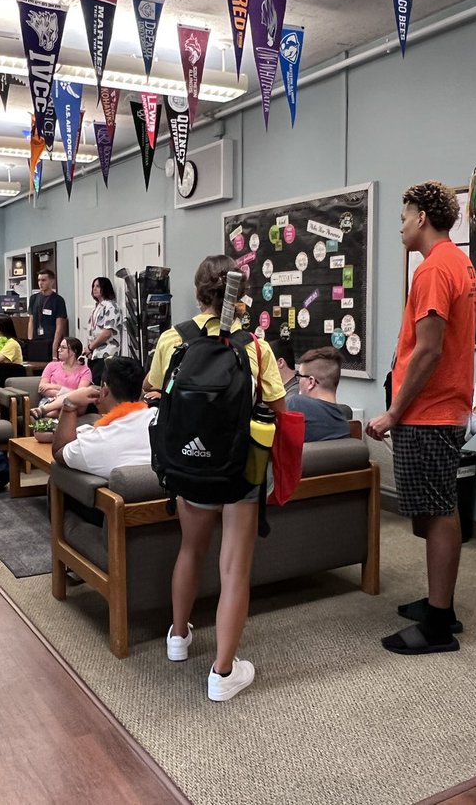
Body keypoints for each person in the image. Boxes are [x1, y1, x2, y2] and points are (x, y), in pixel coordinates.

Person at [144, 254, 286, 702]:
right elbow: (280, 410)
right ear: (240, 297)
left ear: (197, 291)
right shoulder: (255, 348)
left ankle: (178, 637)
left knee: (191, 549)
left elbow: (152, 389)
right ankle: (223, 673)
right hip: (240, 471)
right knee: (233, 569)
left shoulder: (172, 339)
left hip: (189, 467)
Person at [366, 181, 476, 657]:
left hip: (429, 412)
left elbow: (429, 351)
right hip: (442, 408)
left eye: (403, 217)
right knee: (437, 508)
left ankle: (438, 622)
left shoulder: (433, 269)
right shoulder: (458, 261)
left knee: (437, 512)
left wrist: (394, 412)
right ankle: (440, 605)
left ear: (422, 218)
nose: (400, 226)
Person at [52, 356, 153, 477]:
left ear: (104, 391)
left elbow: (59, 451)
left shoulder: (97, 442)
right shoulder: (159, 418)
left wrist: (70, 404)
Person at [287, 346, 350, 442]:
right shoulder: (344, 423)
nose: (298, 381)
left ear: (311, 382)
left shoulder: (296, 403)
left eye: (299, 376)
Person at [32, 337, 92, 420]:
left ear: (73, 351)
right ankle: (50, 411)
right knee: (60, 409)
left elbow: (81, 393)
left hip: (74, 404)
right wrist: (66, 395)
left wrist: (56, 387)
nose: (59, 350)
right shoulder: (51, 366)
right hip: (51, 401)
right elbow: (42, 388)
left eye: (63, 348)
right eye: (59, 347)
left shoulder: (85, 371)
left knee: (75, 403)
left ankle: (44, 411)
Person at [84, 276, 121, 386]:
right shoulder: (97, 307)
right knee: (92, 383)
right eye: (93, 286)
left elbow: (107, 333)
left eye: (98, 286)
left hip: (105, 353)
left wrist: (90, 347)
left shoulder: (111, 307)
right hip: (94, 354)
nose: (94, 289)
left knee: (100, 385)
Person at [29, 268, 68, 357]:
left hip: (51, 340)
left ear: (51, 281)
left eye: (43, 280)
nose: (40, 283)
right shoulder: (33, 298)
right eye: (39, 280)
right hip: (36, 340)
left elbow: (59, 326)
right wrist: (30, 341)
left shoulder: (58, 300)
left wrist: (55, 347)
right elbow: (31, 321)